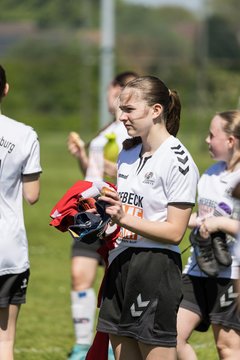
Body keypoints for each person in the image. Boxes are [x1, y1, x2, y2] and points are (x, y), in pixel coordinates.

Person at [94, 75, 199, 360]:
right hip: (120, 262)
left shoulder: (178, 161)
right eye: (121, 108)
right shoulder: (128, 153)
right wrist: (98, 215)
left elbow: (175, 232)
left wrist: (123, 218)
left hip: (156, 266)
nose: (122, 116)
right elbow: (126, 209)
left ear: (156, 111)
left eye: (129, 110)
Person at [67, 71, 139, 360]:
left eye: (126, 89)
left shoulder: (134, 132)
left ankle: (111, 344)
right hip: (90, 214)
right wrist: (82, 158)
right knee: (79, 276)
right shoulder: (107, 129)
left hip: (117, 217)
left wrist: (116, 171)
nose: (117, 94)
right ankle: (82, 345)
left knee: (114, 285)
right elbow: (93, 176)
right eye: (117, 87)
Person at [177, 110, 240, 360]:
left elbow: (218, 222)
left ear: (231, 141)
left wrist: (220, 224)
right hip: (196, 269)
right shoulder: (210, 173)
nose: (206, 140)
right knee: (170, 337)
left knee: (227, 347)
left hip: (231, 273)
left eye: (212, 135)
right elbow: (200, 217)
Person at [0, 64, 42, 359]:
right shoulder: (24, 134)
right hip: (8, 248)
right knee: (4, 342)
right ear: (5, 89)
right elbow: (32, 196)